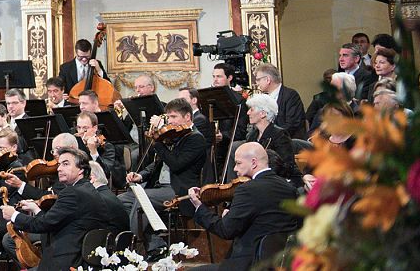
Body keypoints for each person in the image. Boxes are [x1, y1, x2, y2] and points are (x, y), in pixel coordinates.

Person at [3, 148, 124, 271]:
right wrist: (36, 210)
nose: (59, 168)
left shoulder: (72, 192)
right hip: (81, 261)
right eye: (59, 164)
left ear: (81, 169)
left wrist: (14, 215)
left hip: (65, 263)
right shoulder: (88, 190)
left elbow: (43, 225)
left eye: (66, 164)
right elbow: (54, 221)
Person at [186, 142, 301, 271]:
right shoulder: (289, 188)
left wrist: (199, 207)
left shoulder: (247, 189)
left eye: (238, 163)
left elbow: (225, 231)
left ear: (253, 162)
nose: (235, 168)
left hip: (248, 265)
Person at [124, 99, 208, 248]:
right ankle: (154, 243)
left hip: (178, 189)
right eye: (168, 117)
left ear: (187, 117)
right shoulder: (175, 135)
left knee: (143, 200)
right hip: (159, 186)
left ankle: (131, 245)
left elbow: (176, 164)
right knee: (122, 200)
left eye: (174, 117)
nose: (170, 121)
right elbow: (158, 163)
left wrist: (158, 144)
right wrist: (141, 175)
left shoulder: (196, 138)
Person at [242, 92, 301, 185]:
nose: (248, 112)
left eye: (251, 110)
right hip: (259, 181)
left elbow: (287, 167)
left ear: (263, 114)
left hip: (279, 182)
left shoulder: (280, 135)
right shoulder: (252, 136)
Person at [251, 63, 307, 138]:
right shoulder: (264, 98)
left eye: (258, 80)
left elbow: (292, 125)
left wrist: (268, 136)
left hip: (287, 141)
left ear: (267, 80)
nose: (256, 83)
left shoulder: (290, 95)